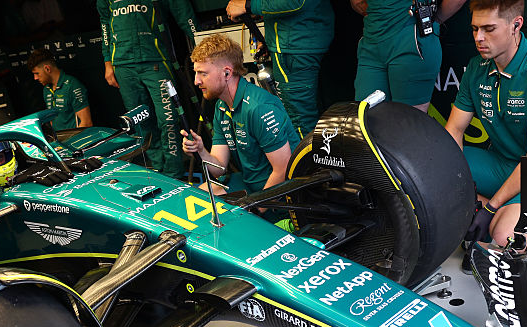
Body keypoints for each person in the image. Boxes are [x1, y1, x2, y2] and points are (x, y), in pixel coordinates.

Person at [443, 0, 527, 247]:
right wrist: (454, 188)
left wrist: (489, 208)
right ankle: (494, 210)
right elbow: (454, 129)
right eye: (475, 29)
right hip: (502, 163)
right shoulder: (476, 67)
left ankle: (501, 213)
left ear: (516, 25)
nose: (479, 38)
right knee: (431, 172)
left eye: (489, 29)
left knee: (504, 236)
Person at [181, 34, 299, 196]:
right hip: (249, 183)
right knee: (193, 197)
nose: (196, 81)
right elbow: (219, 168)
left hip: (279, 191)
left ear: (227, 73)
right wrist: (200, 151)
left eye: (203, 73)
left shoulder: (259, 108)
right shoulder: (221, 106)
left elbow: (283, 169)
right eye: (196, 73)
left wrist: (256, 206)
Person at [97, 0, 198, 177]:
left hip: (156, 59)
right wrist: (107, 61)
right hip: (123, 63)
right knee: (140, 121)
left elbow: (181, 10)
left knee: (168, 119)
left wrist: (200, 42)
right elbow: (105, 24)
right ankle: (158, 170)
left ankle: (174, 173)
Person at [226, 0, 334, 138]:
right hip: (296, 43)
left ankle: (307, 152)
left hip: (293, 47)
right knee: (303, 117)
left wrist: (247, 5)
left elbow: (294, 2)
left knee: (299, 122)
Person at [351, 0, 468, 111]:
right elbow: (357, 2)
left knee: (407, 120)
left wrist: (432, 19)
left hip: (411, 38)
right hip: (374, 39)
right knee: (367, 117)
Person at [27, 49, 92, 129]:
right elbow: (52, 120)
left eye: (37, 73)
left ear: (47, 69)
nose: (35, 78)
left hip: (74, 136)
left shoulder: (72, 85)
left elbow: (86, 122)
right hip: (58, 137)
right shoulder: (46, 89)